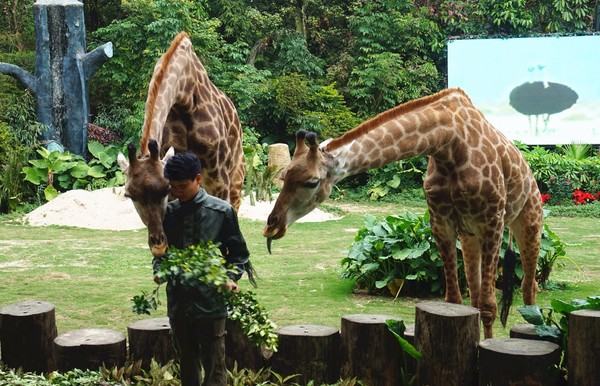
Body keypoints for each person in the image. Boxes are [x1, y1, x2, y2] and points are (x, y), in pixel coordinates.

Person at [153, 152, 254, 386]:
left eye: (181, 186)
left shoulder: (222, 212)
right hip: (179, 303)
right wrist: (159, 270)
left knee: (214, 364)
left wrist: (230, 278)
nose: (176, 192)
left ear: (198, 180)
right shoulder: (167, 213)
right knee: (186, 362)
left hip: (211, 304)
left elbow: (239, 255)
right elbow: (160, 252)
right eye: (172, 187)